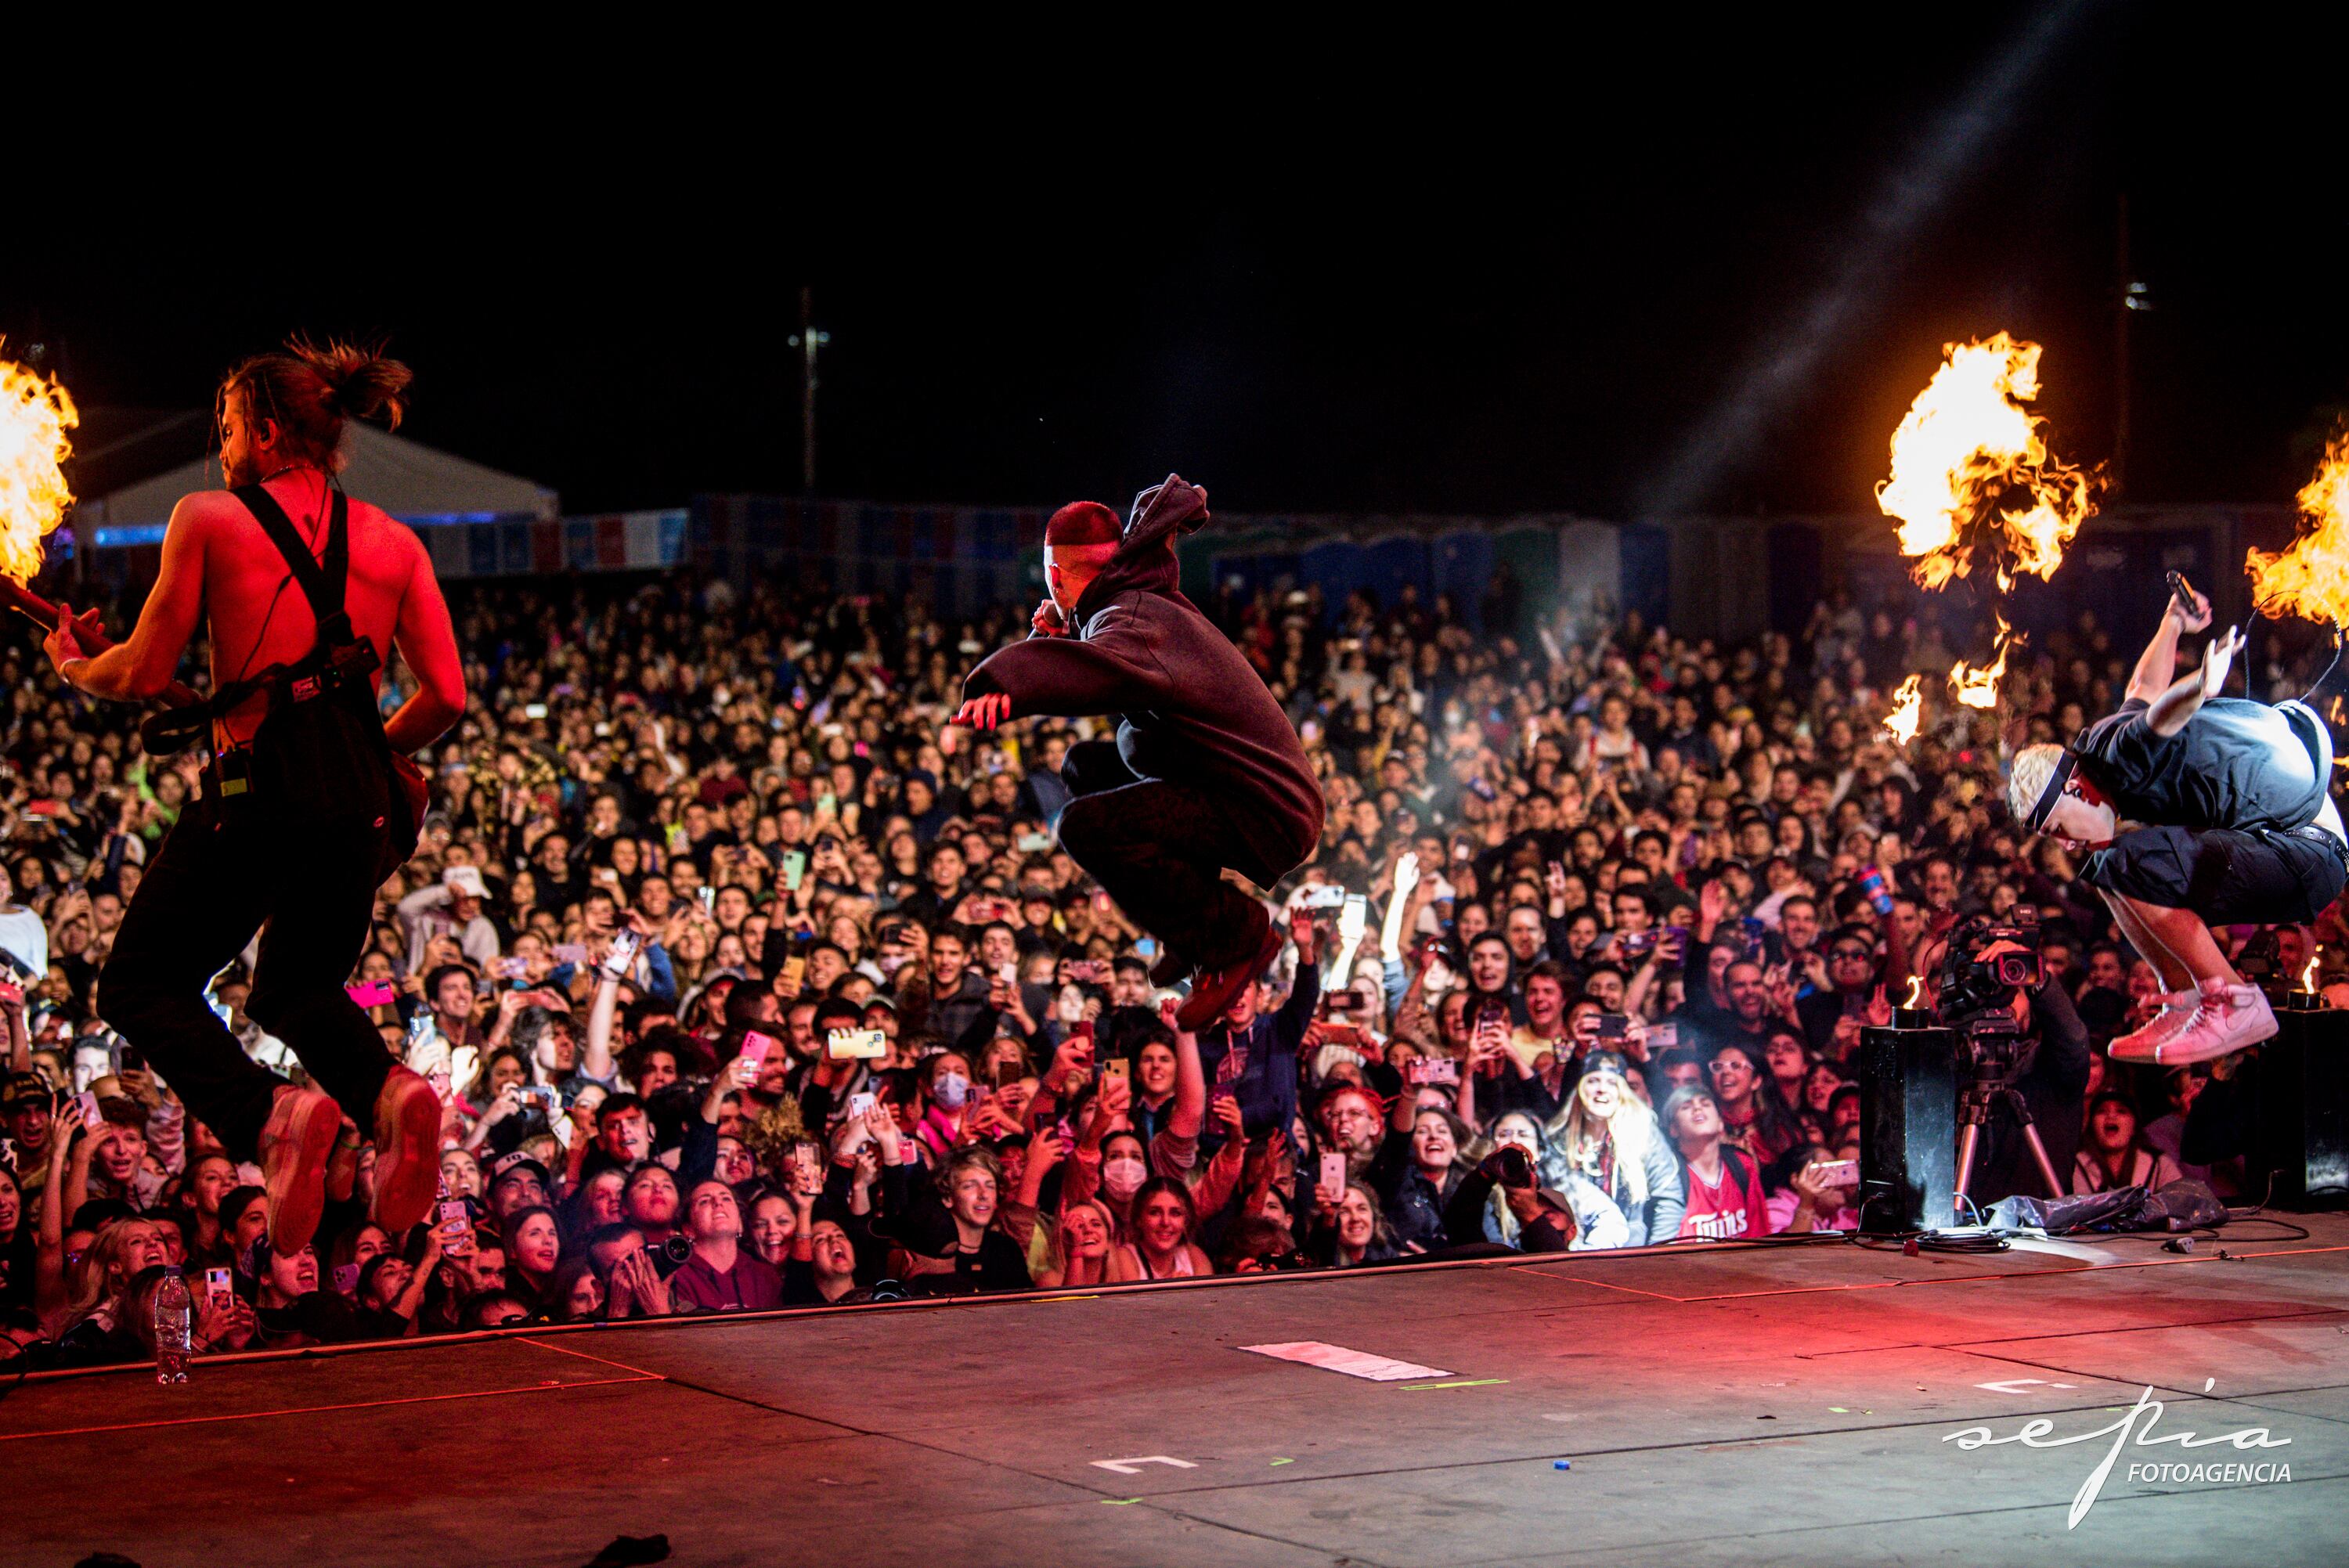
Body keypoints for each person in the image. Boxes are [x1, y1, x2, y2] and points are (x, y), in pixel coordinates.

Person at [49, 341, 465, 1253]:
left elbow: (146, 668)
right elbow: (447, 695)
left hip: (259, 791)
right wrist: (365, 749)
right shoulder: (395, 542)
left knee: (140, 979)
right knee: (298, 985)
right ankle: (392, 1093)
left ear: (270, 431)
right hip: (359, 804)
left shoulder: (208, 515)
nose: (225, 445)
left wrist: (80, 665)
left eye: (232, 427)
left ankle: (270, 1116)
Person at [951, 478, 1325, 1028]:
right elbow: (1104, 655)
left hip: (1258, 808)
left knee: (1083, 825)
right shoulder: (1133, 602)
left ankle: (1235, 935)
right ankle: (1188, 927)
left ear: (1054, 575)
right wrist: (1065, 631)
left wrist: (1006, 680)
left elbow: (1096, 674)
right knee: (1085, 765)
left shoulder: (1132, 618)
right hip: (1228, 784)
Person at [2011, 580, 2346, 1065]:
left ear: (2076, 789)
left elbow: (2162, 716)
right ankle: (2187, 995)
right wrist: (2172, 624)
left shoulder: (2122, 754)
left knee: (2124, 859)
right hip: (2289, 843)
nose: (2064, 844)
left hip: (2309, 852)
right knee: (2106, 868)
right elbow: (2143, 690)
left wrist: (2201, 684)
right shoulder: (2100, 747)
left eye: (2060, 828)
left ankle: (2232, 1000)